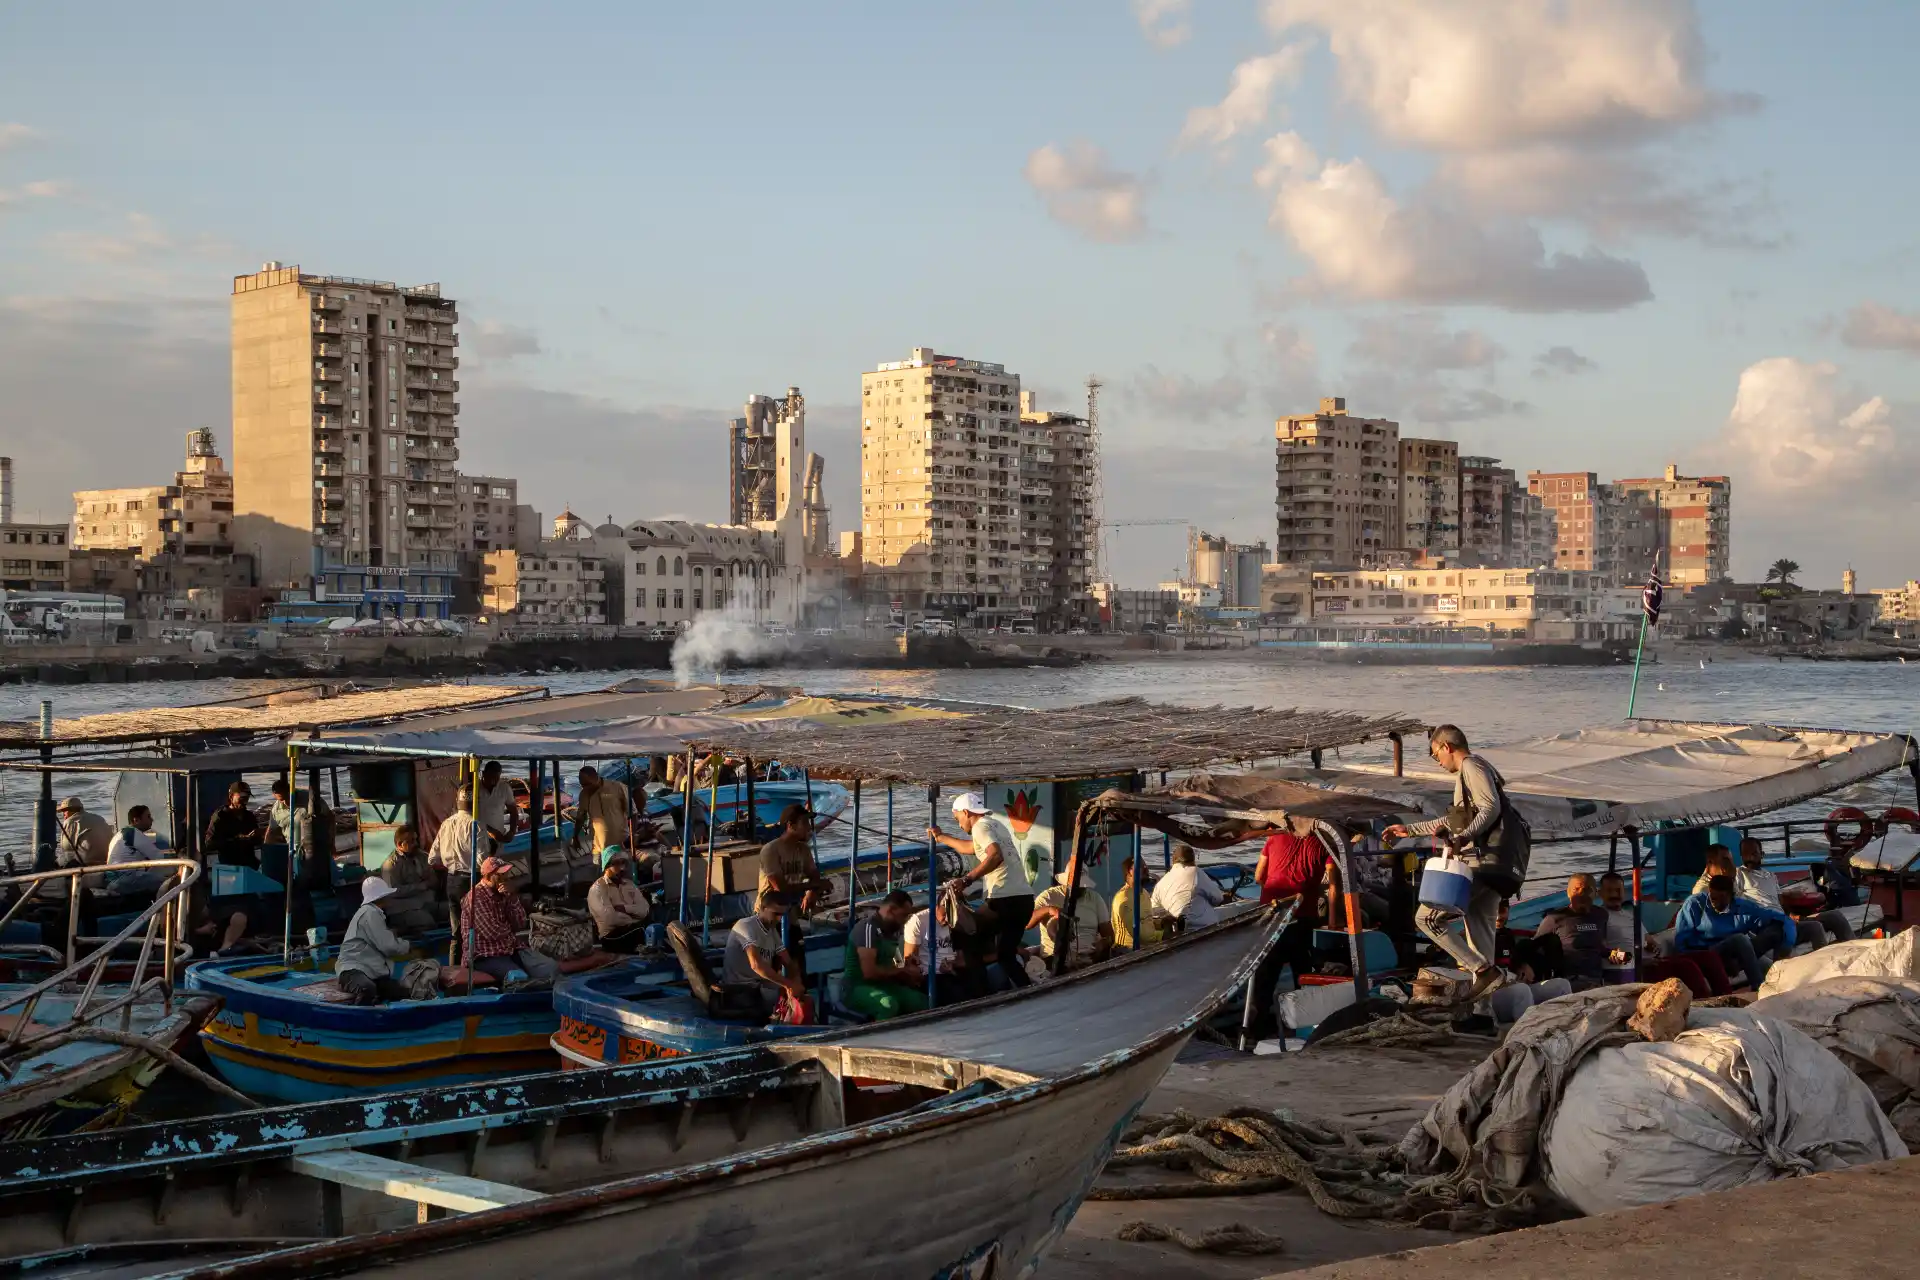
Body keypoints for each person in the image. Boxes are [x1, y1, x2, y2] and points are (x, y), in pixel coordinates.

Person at [1382, 724, 1530, 1005]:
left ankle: (1482, 971)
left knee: (1425, 918)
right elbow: (1454, 821)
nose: (1437, 761)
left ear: (1446, 746)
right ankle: (1486, 1013)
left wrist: (1464, 837)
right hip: (1493, 869)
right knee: (1481, 942)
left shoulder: (1471, 766)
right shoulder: (1475, 772)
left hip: (1479, 865)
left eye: (1435, 754)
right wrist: (1410, 830)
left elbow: (1489, 808)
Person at [927, 793, 1034, 989]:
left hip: (1004, 900)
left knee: (966, 935)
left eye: (957, 818)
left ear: (966, 812)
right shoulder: (995, 825)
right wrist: (942, 837)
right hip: (1025, 900)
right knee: (1005, 954)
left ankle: (979, 992)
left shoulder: (979, 826)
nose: (959, 824)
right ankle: (1027, 989)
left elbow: (995, 856)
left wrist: (967, 879)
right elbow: (971, 848)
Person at [1596, 870, 1731, 996]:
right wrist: (1634, 960)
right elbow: (1602, 951)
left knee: (1708, 957)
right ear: (1600, 893)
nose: (1614, 895)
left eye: (1618, 890)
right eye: (1609, 891)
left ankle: (1727, 999)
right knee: (1687, 967)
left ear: (1624, 892)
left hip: (1650, 961)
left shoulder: (1630, 914)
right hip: (1631, 970)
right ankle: (1704, 1008)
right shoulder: (1599, 917)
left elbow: (1649, 940)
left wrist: (1654, 946)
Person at [1673, 873, 1795, 990]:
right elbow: (1682, 943)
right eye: (1713, 897)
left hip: (1733, 954)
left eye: (1722, 898)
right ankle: (1758, 988)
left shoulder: (1743, 908)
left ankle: (1783, 990)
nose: (1716, 902)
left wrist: (1787, 939)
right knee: (1740, 939)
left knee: (1767, 961)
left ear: (1731, 896)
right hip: (1704, 954)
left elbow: (1776, 918)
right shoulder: (1694, 904)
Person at [1733, 836, 1853, 950]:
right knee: (1815, 927)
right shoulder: (1739, 874)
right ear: (1741, 856)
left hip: (1785, 920)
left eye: (1753, 852)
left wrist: (1792, 914)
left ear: (1762, 854)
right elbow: (1733, 901)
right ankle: (1824, 965)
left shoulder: (1770, 876)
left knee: (1835, 917)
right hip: (1768, 925)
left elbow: (1781, 902)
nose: (1750, 856)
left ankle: (1854, 952)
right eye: (1745, 853)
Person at [454, 856, 559, 987]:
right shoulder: (475, 897)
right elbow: (492, 932)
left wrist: (513, 898)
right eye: (500, 875)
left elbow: (520, 923)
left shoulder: (505, 893)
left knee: (551, 968)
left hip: (510, 949)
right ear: (488, 876)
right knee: (518, 978)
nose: (505, 878)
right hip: (485, 955)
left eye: (506, 874)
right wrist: (510, 929)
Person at [842, 890, 926, 1020]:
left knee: (920, 1001)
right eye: (903, 915)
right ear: (891, 909)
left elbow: (898, 962)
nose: (905, 921)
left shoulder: (894, 931)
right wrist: (901, 970)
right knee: (888, 1005)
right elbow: (869, 972)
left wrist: (908, 966)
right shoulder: (868, 928)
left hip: (885, 984)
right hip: (858, 987)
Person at [723, 890, 806, 1017]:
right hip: (740, 989)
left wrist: (796, 980)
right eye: (775, 914)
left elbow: (788, 962)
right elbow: (756, 965)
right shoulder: (745, 926)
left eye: (782, 915)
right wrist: (788, 984)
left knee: (797, 1001)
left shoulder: (772, 932)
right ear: (762, 908)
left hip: (759, 986)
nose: (778, 919)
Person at [336, 877, 416, 1005]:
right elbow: (388, 946)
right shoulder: (370, 913)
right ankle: (360, 1020)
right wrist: (407, 946)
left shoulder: (373, 913)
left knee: (400, 992)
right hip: (352, 971)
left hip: (368, 971)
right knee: (367, 989)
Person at [1029, 851, 1113, 973]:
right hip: (1055, 959)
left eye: (1083, 886)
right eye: (1077, 886)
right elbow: (1027, 923)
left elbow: (1109, 935)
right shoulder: (1048, 896)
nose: (1081, 888)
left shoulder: (1095, 898)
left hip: (1088, 958)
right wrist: (1048, 910)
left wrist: (1104, 943)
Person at [904, 888, 983, 1005]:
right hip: (929, 974)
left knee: (978, 977)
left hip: (952, 971)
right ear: (937, 906)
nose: (947, 919)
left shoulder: (956, 923)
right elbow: (909, 959)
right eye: (945, 914)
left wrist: (953, 964)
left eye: (951, 916)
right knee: (953, 991)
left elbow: (962, 958)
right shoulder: (919, 920)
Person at [1532, 873, 1611, 989]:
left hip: (1597, 980)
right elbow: (1533, 949)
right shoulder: (1554, 918)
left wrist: (1612, 953)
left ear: (1596, 893)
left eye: (1587, 890)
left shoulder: (1601, 915)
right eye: (1576, 889)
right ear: (1568, 893)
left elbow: (1599, 946)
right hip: (1568, 981)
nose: (1581, 894)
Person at [758, 804, 832, 921]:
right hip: (770, 913)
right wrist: (812, 886)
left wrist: (811, 892)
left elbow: (815, 876)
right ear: (791, 825)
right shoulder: (770, 850)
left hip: (791, 911)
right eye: (804, 823)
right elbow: (780, 888)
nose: (808, 828)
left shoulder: (803, 849)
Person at [430, 787, 482, 934]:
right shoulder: (475, 825)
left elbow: (432, 858)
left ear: (457, 802)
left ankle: (456, 956)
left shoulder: (446, 823)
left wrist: (451, 863)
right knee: (474, 928)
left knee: (457, 931)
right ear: (475, 803)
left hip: (451, 880)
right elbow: (482, 861)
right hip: (471, 880)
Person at [1150, 845, 1226, 934]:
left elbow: (1153, 909)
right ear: (1193, 860)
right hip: (1202, 929)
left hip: (1175, 932)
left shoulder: (1160, 884)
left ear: (1173, 860)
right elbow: (1218, 898)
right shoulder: (1195, 871)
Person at [587, 849, 650, 953]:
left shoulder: (629, 885)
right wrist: (634, 918)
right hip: (611, 936)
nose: (622, 868)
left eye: (623, 863)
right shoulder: (598, 889)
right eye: (616, 864)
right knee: (642, 931)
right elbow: (610, 919)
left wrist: (625, 908)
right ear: (606, 866)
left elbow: (645, 909)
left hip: (634, 929)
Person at [379, 826, 439, 933]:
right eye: (411, 841)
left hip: (424, 902)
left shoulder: (421, 856)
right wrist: (421, 886)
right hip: (402, 909)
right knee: (427, 922)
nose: (415, 844)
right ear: (400, 845)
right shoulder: (391, 864)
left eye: (416, 839)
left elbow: (432, 878)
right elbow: (393, 891)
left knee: (452, 913)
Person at [569, 766, 632, 865]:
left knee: (622, 877)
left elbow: (633, 813)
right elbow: (581, 816)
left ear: (596, 777)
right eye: (582, 785)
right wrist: (575, 836)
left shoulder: (617, 787)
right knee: (602, 879)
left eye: (587, 784)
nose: (584, 788)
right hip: (598, 850)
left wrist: (632, 839)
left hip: (620, 846)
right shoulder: (584, 794)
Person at [203, 781, 264, 869]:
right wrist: (235, 839)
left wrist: (258, 835)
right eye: (242, 797)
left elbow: (257, 841)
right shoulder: (220, 816)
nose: (245, 801)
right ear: (231, 797)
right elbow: (209, 843)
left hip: (250, 865)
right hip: (230, 865)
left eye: (247, 798)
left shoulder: (249, 816)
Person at [1111, 857, 1161, 950]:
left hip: (1147, 946)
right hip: (1126, 950)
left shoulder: (1144, 893)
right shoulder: (1124, 898)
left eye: (1145, 865)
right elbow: (1140, 934)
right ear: (1129, 872)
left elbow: (1147, 921)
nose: (1146, 868)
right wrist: (1163, 935)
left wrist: (1162, 923)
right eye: (1141, 866)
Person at [476, 761, 519, 849]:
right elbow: (468, 816)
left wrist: (512, 831)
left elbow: (513, 811)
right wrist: (490, 831)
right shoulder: (474, 788)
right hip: (478, 838)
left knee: (496, 861)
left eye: (496, 778)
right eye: (490, 777)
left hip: (498, 838)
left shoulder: (505, 788)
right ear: (483, 774)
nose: (493, 781)